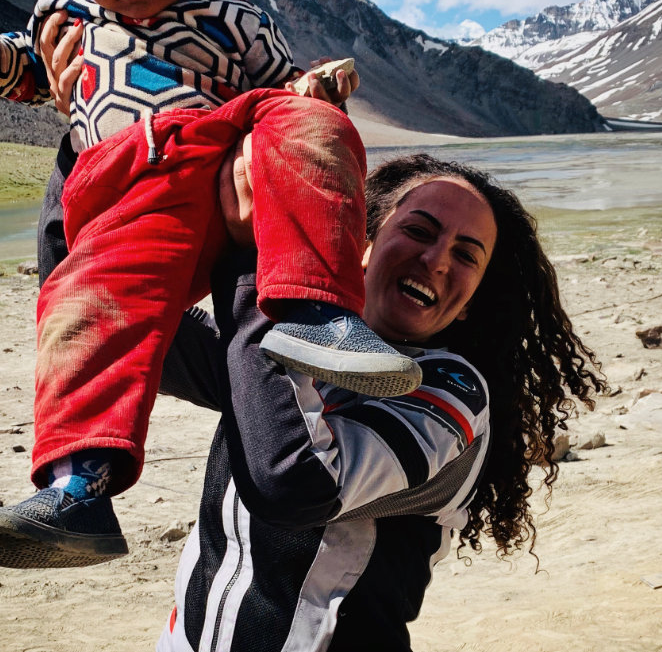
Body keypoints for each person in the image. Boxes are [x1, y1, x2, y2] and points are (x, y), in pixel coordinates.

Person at [0, 0, 419, 570]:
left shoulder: (234, 20)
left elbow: (279, 89)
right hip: (129, 191)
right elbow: (28, 77)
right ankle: (77, 490)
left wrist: (316, 89)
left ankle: (318, 317)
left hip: (220, 156)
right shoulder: (62, 16)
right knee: (80, 302)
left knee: (312, 129)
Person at [155, 149, 607, 651]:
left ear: (470, 304)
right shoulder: (284, 341)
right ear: (363, 244)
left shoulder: (451, 395)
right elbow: (102, 313)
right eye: (418, 230)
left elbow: (291, 485)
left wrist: (253, 266)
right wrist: (83, 133)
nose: (436, 260)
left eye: (465, 254)